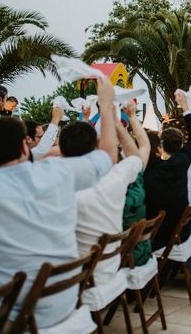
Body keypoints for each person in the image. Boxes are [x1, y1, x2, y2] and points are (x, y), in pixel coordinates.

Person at [0, 76, 117, 328]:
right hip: (65, 299)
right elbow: (108, 155)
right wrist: (106, 105)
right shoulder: (58, 172)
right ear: (25, 147)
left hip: (16, 313)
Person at [60, 100, 150, 284]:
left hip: (84, 276)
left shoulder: (65, 194)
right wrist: (121, 121)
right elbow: (140, 150)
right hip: (117, 260)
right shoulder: (121, 178)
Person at [144, 90, 191, 250]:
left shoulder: (149, 170)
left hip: (157, 237)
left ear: (160, 147)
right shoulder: (182, 161)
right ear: (181, 145)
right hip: (180, 232)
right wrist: (185, 107)